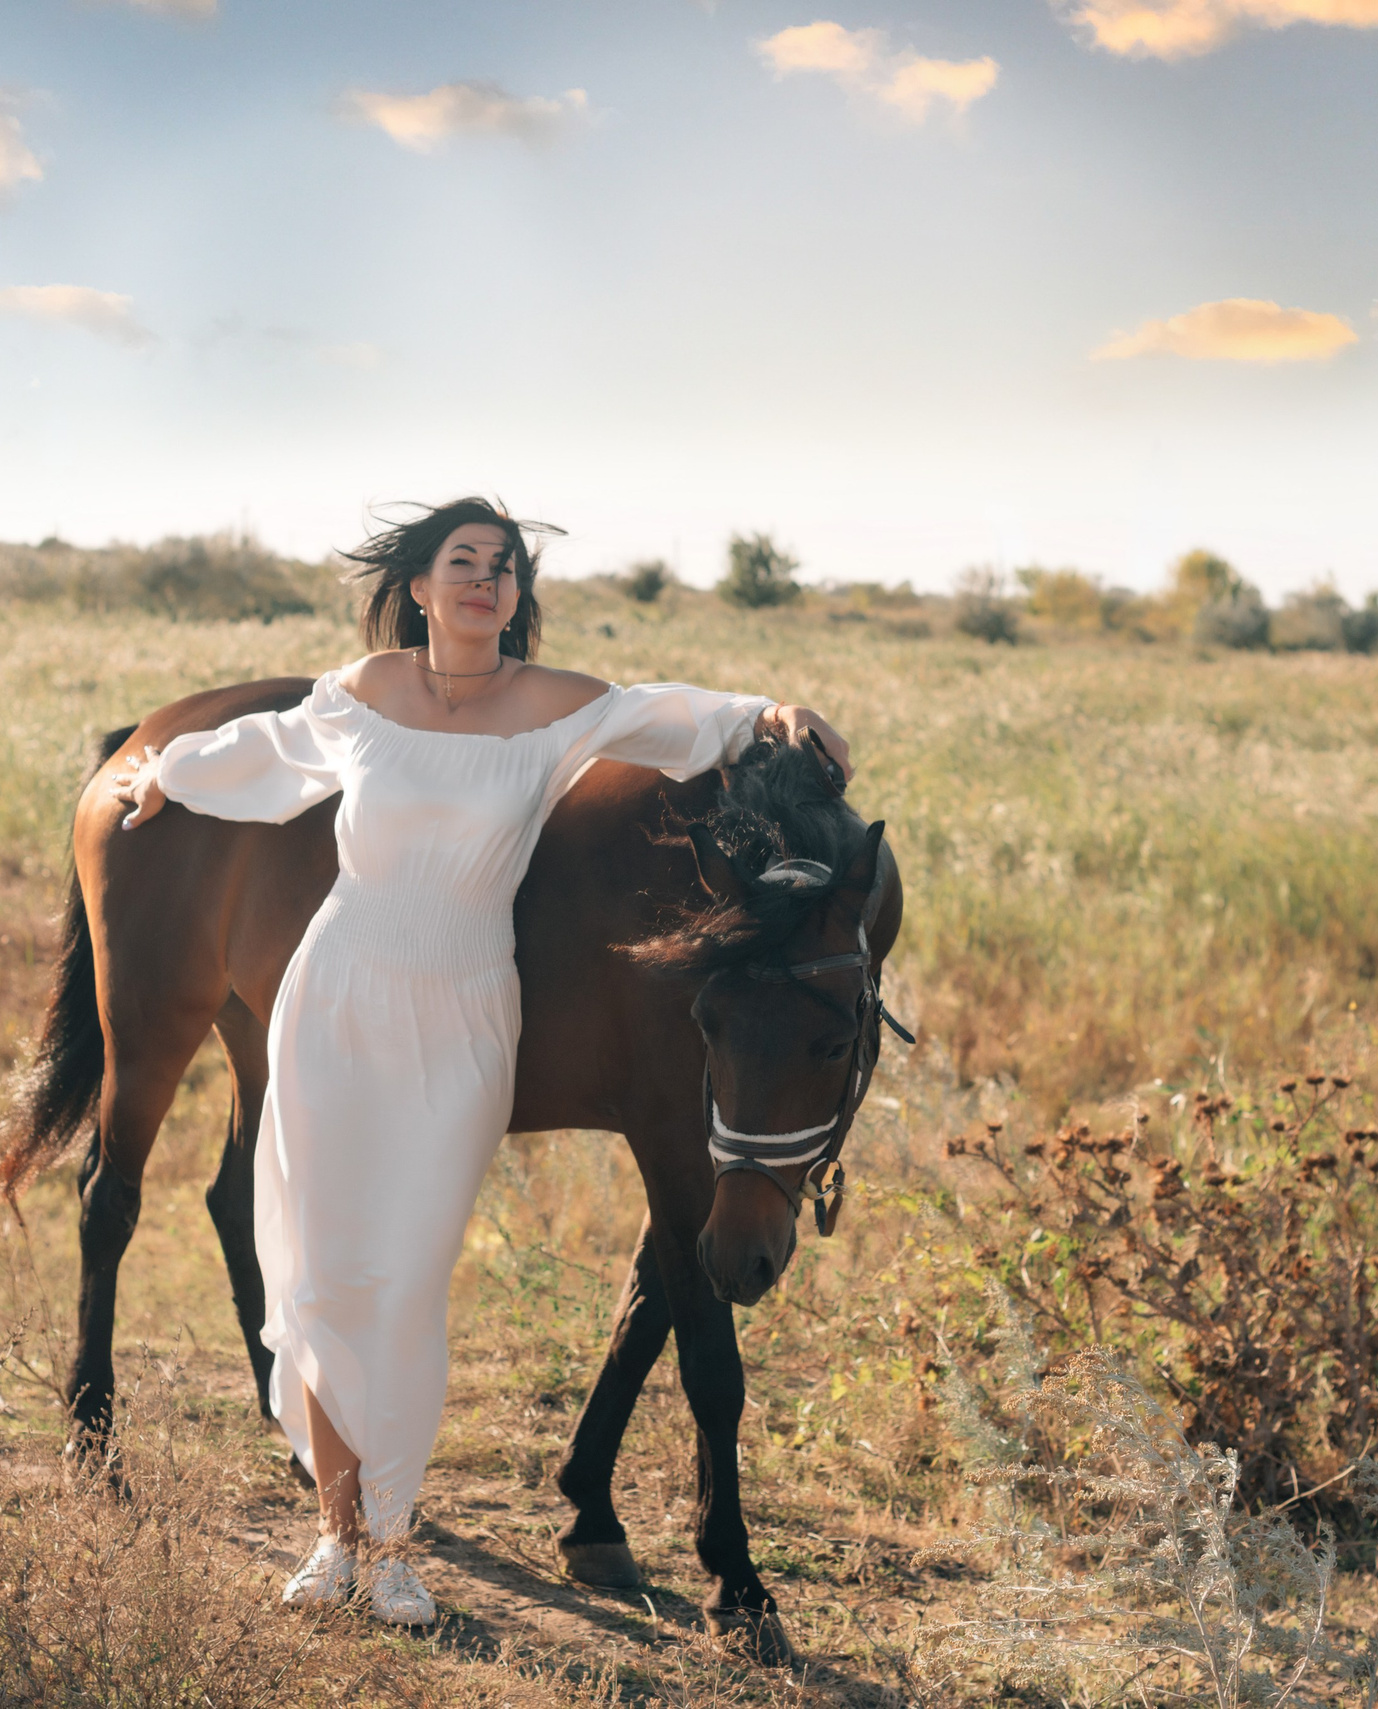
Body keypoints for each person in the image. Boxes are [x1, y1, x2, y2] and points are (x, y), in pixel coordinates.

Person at [106, 498, 851, 1625]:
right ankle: (337, 1536)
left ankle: (393, 1540)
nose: (485, 582)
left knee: (405, 1283)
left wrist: (774, 713)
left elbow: (678, 718)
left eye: (503, 568)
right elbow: (270, 752)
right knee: (322, 1272)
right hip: (337, 991)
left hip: (460, 1011)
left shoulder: (554, 707)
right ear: (418, 585)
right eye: (463, 563)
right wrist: (166, 771)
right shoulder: (364, 690)